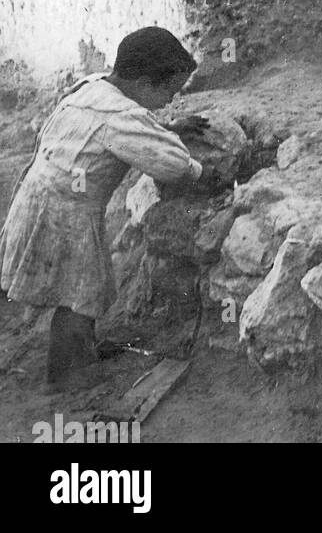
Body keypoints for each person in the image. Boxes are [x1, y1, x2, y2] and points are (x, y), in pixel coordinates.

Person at [0, 26, 213, 387]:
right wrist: (199, 169)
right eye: (169, 93)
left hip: (41, 197)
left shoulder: (94, 88)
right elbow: (171, 164)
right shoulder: (121, 118)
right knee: (81, 293)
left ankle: (80, 352)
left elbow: (125, 126)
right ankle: (68, 374)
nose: (169, 102)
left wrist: (167, 127)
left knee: (83, 287)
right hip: (65, 213)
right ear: (145, 84)